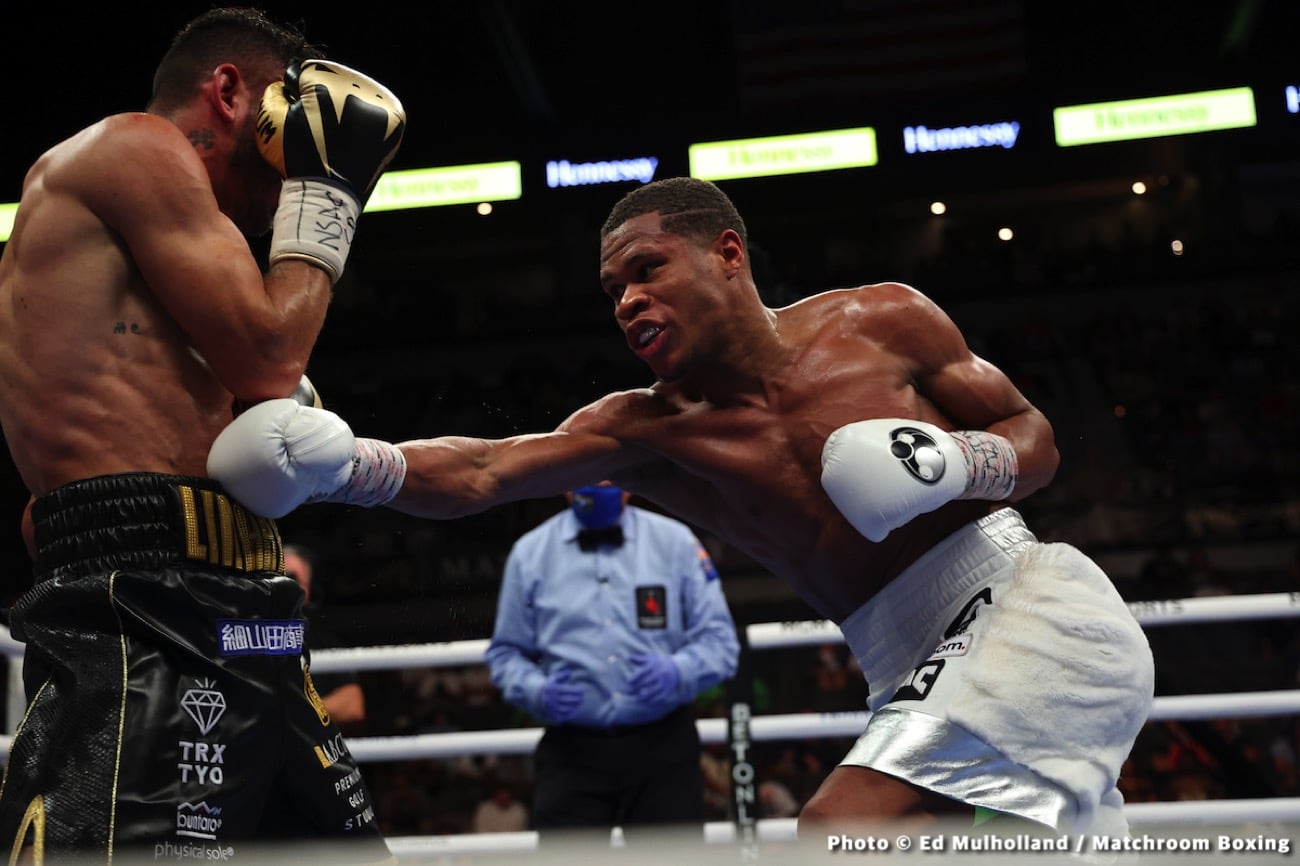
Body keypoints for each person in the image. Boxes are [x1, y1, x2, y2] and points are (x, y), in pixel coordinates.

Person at [209, 176, 1156, 843]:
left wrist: (955, 461)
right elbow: (487, 470)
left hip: (1024, 602)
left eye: (649, 270)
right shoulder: (649, 431)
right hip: (905, 660)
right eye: (614, 289)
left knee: (839, 831)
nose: (628, 300)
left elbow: (1037, 441)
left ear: (729, 253)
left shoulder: (883, 321)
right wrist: (346, 466)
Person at [0, 7, 405, 862]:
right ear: (230, 93)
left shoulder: (183, 261)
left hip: (254, 603)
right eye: (290, 128)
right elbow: (269, 351)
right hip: (145, 610)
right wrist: (325, 194)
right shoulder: (134, 148)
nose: (293, 163)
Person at [484, 484, 739, 843]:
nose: (596, 484)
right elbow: (506, 653)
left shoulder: (675, 543)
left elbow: (720, 642)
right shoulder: (530, 554)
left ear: (629, 485)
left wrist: (679, 671)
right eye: (585, 474)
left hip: (663, 746)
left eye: (606, 475)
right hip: (572, 749)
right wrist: (535, 691)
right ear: (564, 486)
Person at [285, 543, 367, 732]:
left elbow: (351, 706)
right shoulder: (239, 636)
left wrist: (288, 710)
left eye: (291, 578)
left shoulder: (325, 642)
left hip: (309, 747)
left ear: (308, 589)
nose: (283, 586)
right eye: (274, 576)